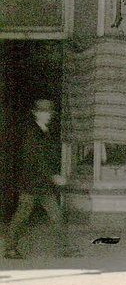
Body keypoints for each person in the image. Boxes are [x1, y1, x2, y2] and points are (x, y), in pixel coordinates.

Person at [4, 98, 75, 259]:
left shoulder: (43, 130)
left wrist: (50, 177)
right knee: (22, 216)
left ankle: (65, 248)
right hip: (31, 183)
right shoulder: (32, 132)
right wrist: (53, 176)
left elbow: (44, 158)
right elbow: (36, 159)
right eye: (44, 112)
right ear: (36, 113)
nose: (48, 115)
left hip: (41, 184)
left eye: (49, 112)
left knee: (56, 215)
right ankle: (9, 248)